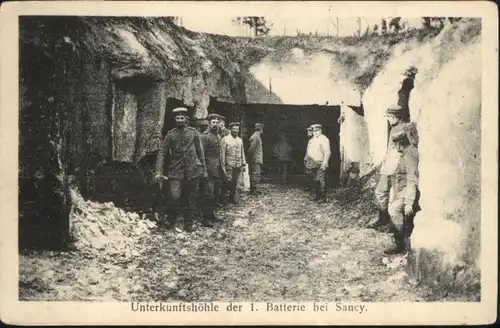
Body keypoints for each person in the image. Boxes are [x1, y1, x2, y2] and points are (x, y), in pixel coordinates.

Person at [154, 107, 207, 233]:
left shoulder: (193, 133)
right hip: (175, 171)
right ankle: (170, 221)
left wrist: (204, 169)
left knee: (190, 198)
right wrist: (158, 171)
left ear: (186, 119)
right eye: (177, 118)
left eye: (182, 118)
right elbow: (162, 153)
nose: (179, 120)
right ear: (175, 119)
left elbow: (200, 152)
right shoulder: (170, 135)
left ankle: (188, 224)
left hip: (192, 171)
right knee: (174, 197)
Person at [368, 104, 407, 231]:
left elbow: (403, 152)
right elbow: (390, 150)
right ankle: (383, 217)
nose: (388, 119)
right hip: (388, 167)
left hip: (398, 169)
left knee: (396, 199)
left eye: (390, 117)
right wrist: (384, 164)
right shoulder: (394, 128)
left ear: (397, 117)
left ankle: (396, 226)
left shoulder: (404, 129)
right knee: (380, 192)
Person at [384, 122, 420, 254]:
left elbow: (412, 179)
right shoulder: (405, 154)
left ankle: (400, 244)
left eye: (396, 145)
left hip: (409, 193)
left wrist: (409, 202)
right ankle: (402, 240)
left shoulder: (410, 156)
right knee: (394, 210)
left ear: (400, 144)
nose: (396, 148)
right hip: (402, 191)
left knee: (394, 211)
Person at [199, 114, 225, 228]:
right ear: (209, 123)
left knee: (215, 193)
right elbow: (201, 155)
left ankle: (211, 215)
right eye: (213, 122)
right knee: (208, 194)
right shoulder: (205, 136)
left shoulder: (218, 136)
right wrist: (204, 170)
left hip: (217, 170)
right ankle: (206, 219)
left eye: (217, 122)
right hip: (208, 170)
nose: (215, 124)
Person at [304, 124, 331, 203]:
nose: (315, 133)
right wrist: (305, 160)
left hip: (320, 162)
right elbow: (308, 151)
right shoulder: (311, 140)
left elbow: (327, 152)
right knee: (314, 180)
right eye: (313, 131)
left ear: (320, 130)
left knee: (320, 180)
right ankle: (316, 195)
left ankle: (323, 197)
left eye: (317, 131)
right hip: (311, 163)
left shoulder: (324, 139)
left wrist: (325, 162)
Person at [221, 122, 246, 204]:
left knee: (235, 182)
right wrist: (223, 165)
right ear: (230, 129)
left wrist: (243, 163)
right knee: (227, 181)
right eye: (234, 129)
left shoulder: (240, 140)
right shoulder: (225, 139)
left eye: (237, 129)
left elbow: (242, 152)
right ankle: (224, 198)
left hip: (237, 164)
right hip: (229, 164)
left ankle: (232, 198)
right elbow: (222, 153)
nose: (235, 131)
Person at [247, 123, 264, 195]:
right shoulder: (255, 137)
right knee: (255, 174)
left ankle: (254, 189)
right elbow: (251, 149)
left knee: (256, 174)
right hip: (255, 159)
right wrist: (251, 159)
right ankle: (253, 190)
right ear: (261, 129)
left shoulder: (256, 136)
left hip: (256, 159)